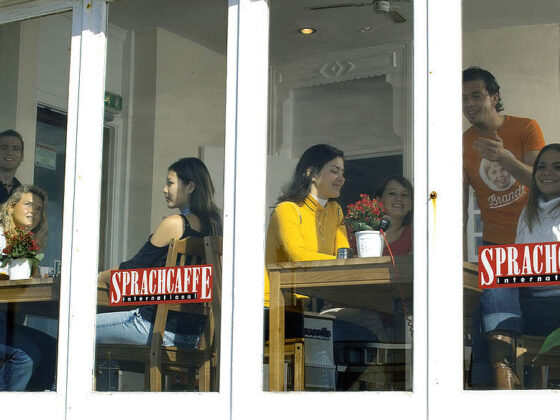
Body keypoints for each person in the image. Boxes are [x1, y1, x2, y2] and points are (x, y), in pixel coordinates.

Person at [462, 67, 546, 389]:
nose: (469, 104)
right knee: (487, 300)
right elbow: (458, 210)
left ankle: (502, 379)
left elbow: (544, 184)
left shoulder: (525, 127)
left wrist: (504, 158)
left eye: (476, 95)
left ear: (494, 97)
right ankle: (503, 377)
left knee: (491, 303)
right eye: (463, 99)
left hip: (535, 245)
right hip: (496, 246)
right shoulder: (462, 143)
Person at [96, 157, 222, 349]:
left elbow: (132, 271)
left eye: (170, 183)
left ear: (190, 187)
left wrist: (98, 277)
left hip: (156, 328)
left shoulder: (175, 224)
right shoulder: (215, 228)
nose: (164, 189)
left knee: (74, 326)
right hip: (195, 336)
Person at [0, 185, 56, 391]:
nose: (34, 211)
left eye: (39, 209)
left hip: (5, 321)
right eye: (28, 204)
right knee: (25, 356)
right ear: (11, 207)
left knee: (52, 348)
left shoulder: (25, 242)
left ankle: (34, 405)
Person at [374, 176, 413, 256]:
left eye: (404, 195)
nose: (399, 198)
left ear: (411, 204)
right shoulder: (359, 232)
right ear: (378, 200)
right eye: (392, 193)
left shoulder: (414, 236)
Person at [0, 130, 24, 204]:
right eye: (4, 148)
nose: (10, 152)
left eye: (15, 149)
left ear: (22, 156)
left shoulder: (22, 193)